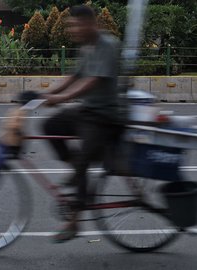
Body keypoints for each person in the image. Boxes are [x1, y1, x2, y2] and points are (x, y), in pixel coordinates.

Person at [41, 5, 124, 243]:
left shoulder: (107, 45)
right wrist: (46, 94)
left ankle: (74, 222)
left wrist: (62, 98)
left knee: (84, 158)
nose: (73, 29)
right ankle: (76, 170)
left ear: (90, 23)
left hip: (105, 116)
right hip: (87, 111)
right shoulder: (85, 47)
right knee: (50, 126)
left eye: (76, 25)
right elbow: (75, 76)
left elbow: (93, 80)